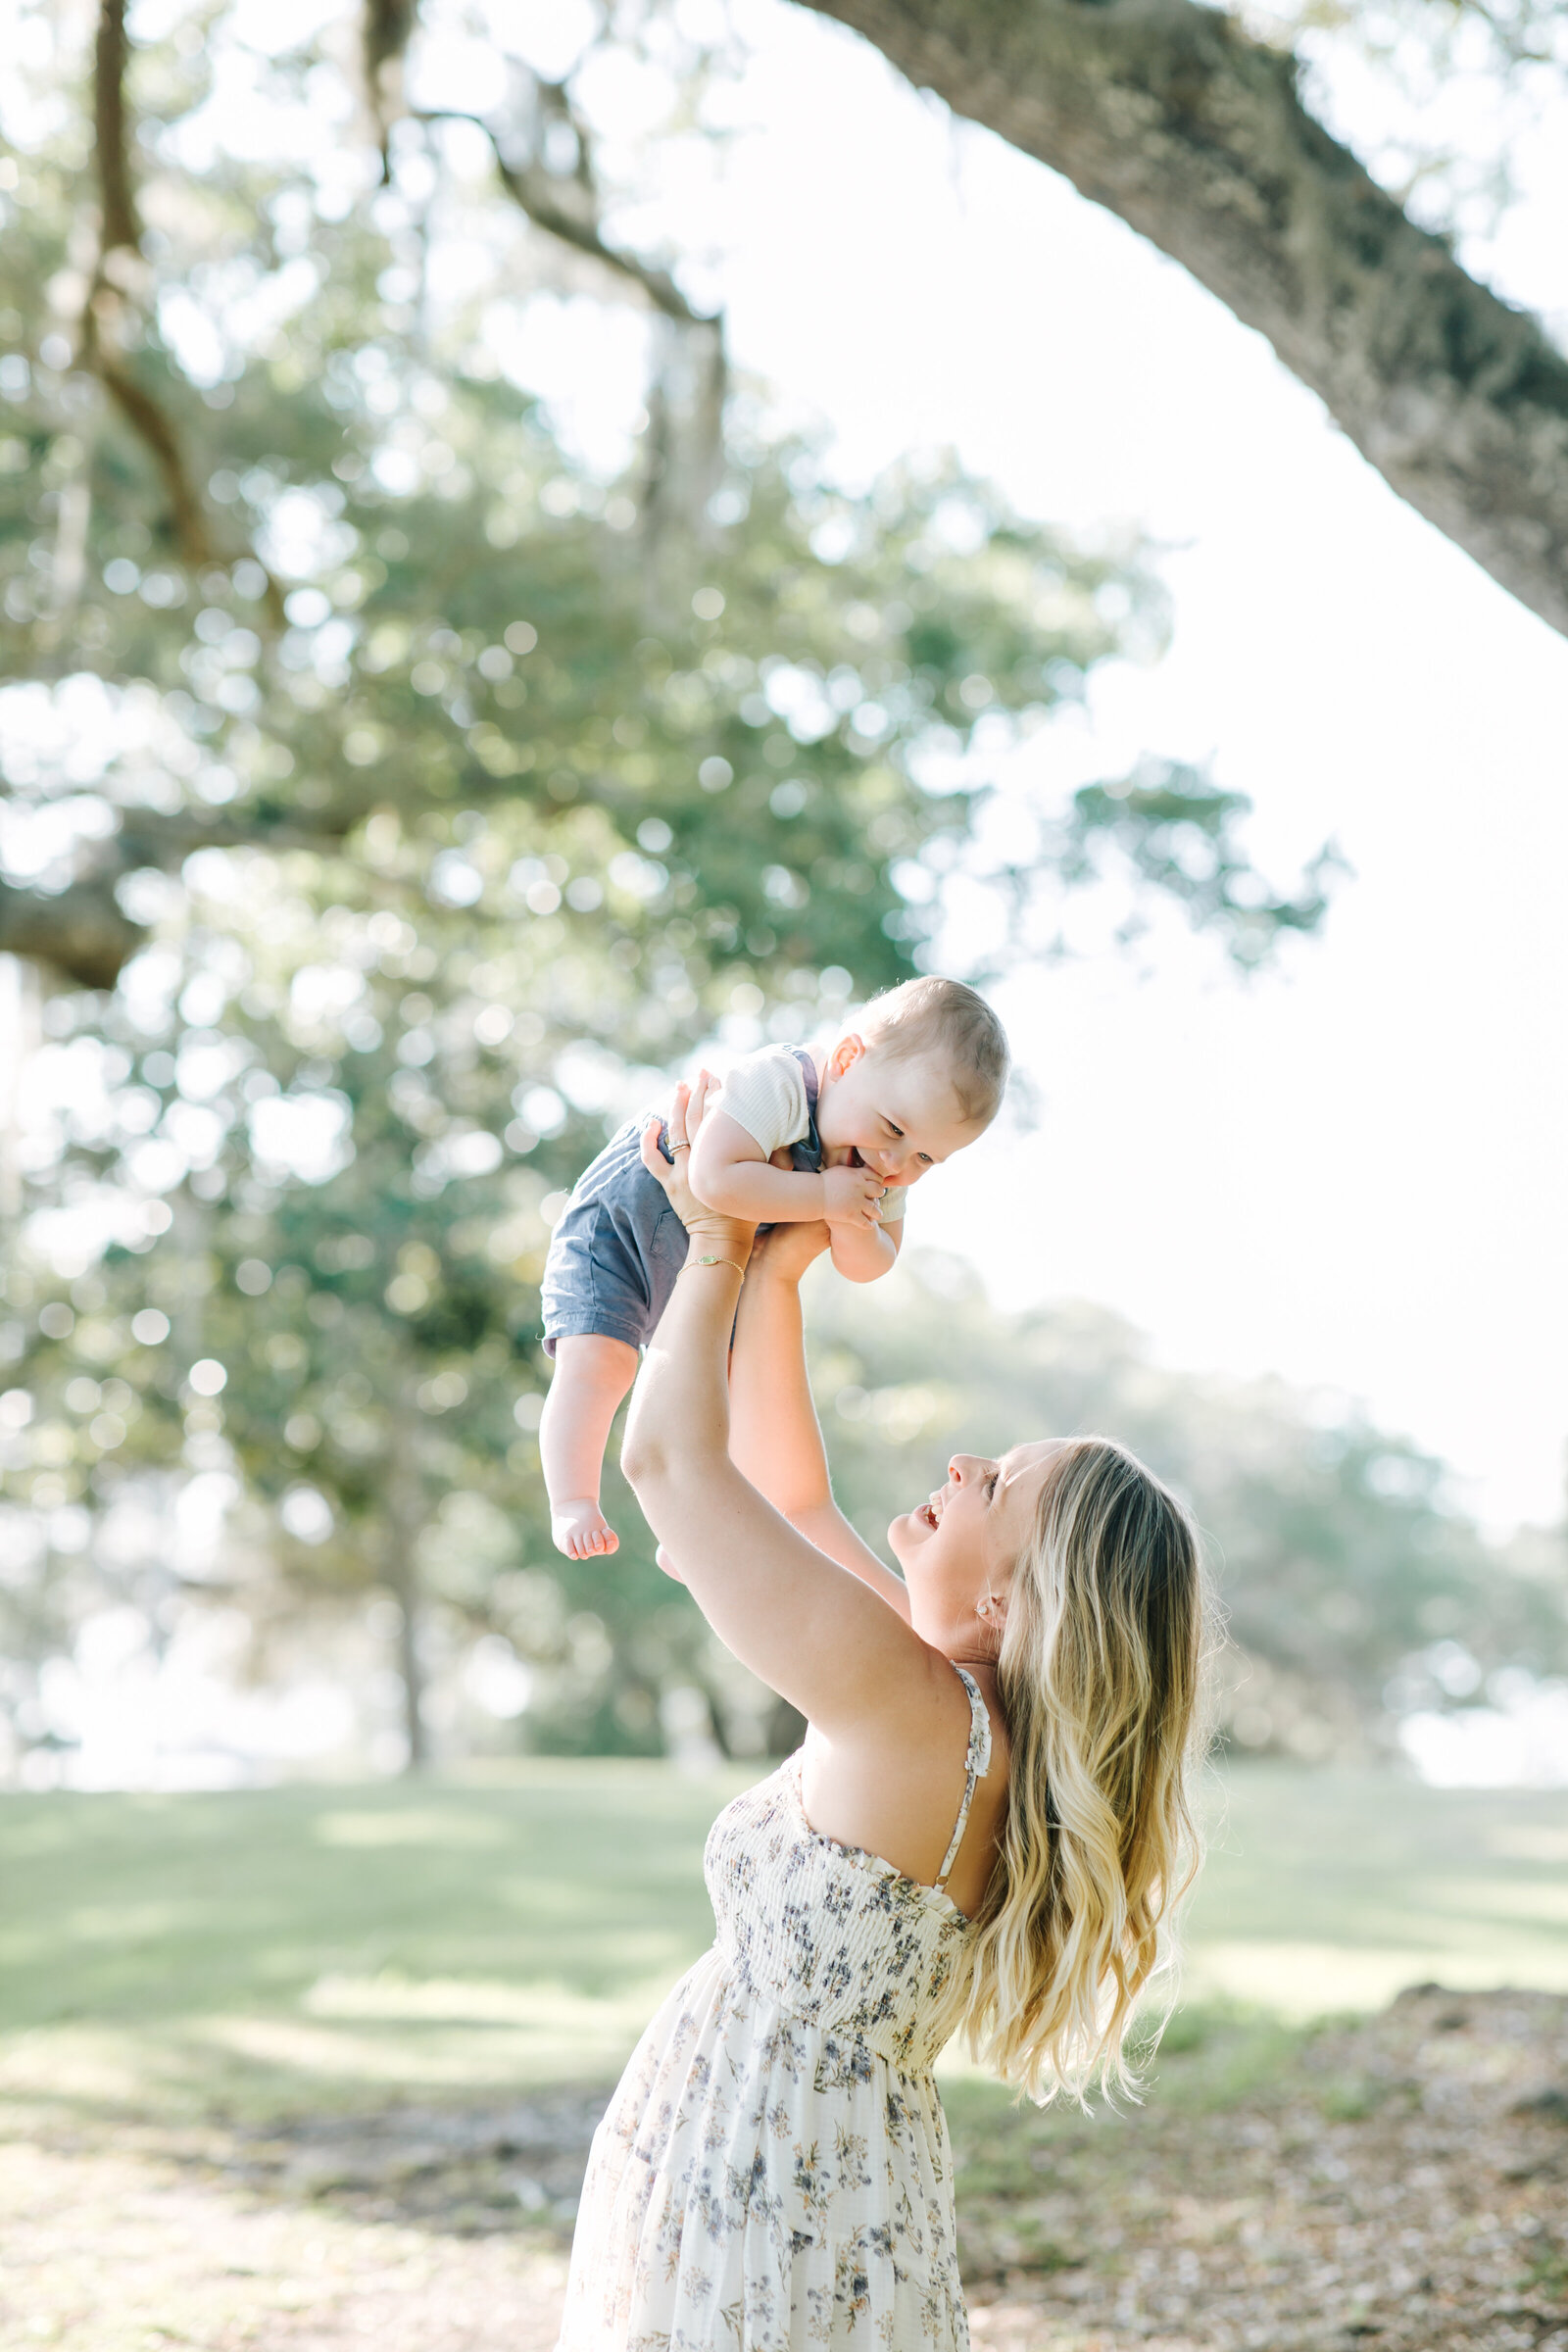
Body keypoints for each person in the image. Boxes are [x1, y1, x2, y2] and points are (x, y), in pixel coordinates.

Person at [555, 1077, 1211, 2352]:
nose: (965, 1461)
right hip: (813, 2181)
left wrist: (709, 1239)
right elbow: (794, 1502)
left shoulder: (916, 1717)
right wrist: (778, 1286)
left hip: (764, 2192)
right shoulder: (958, 1712)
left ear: (1021, 1595)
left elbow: (669, 1465)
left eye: (1001, 1482)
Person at [539, 976, 1009, 1561]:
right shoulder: (779, 1083)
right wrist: (825, 1200)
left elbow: (871, 1263)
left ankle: (687, 1533)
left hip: (702, 1257)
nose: (895, 1163)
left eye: (925, 1159)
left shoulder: (877, 1166)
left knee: (730, 1390)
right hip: (618, 1225)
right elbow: (713, 1179)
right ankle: (573, 1500)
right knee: (600, 1363)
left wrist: (853, 1218)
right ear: (845, 1060)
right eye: (893, 1130)